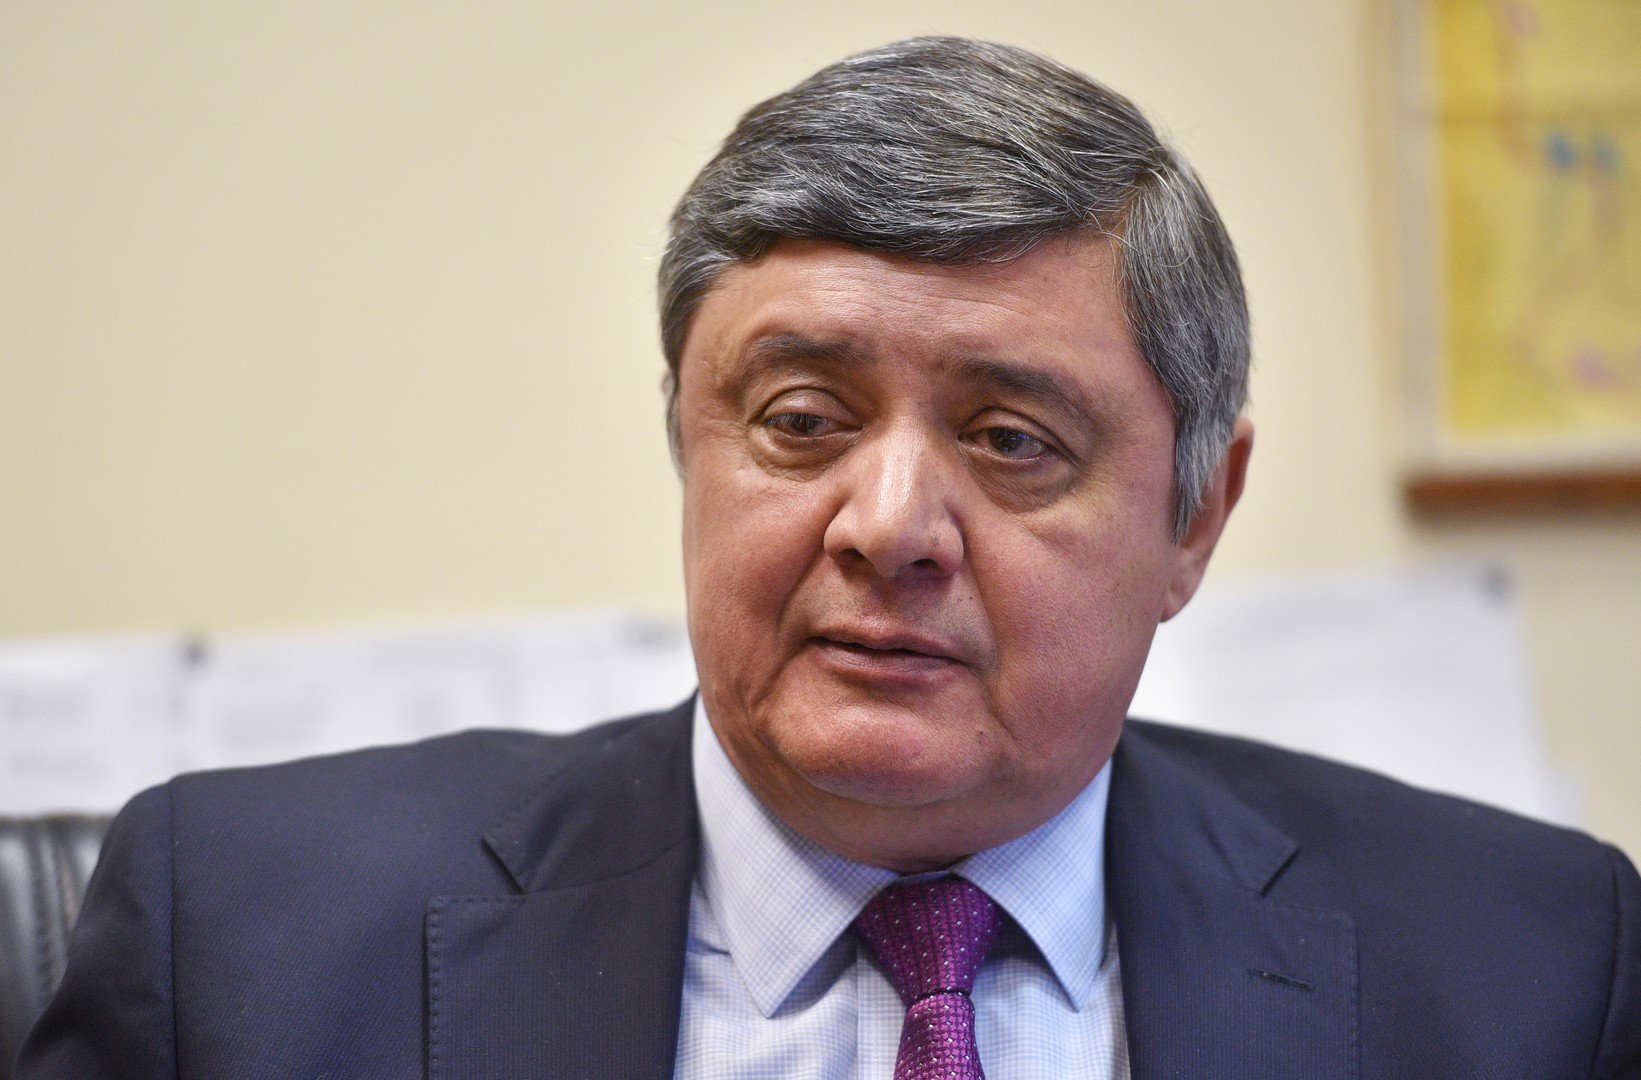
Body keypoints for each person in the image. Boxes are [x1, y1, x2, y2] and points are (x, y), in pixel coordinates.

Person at [18, 35, 1640, 1080]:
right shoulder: (241, 943)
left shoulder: (1525, 975)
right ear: (687, 443)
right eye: (800, 419)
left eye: (1012, 440)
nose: (886, 526)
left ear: (1193, 518)